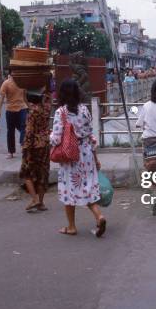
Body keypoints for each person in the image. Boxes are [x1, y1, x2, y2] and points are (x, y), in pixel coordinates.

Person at [50, 78, 106, 237]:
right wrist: (96, 158)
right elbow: (90, 135)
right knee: (87, 188)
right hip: (87, 154)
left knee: (69, 191)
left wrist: (49, 137)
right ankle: (99, 216)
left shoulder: (61, 113)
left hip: (70, 157)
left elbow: (56, 138)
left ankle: (71, 226)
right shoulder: (84, 110)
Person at [20, 88, 52, 212]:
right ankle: (41, 203)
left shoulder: (32, 113)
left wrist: (25, 148)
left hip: (33, 146)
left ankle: (34, 199)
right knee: (42, 174)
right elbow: (49, 98)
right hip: (45, 144)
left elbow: (29, 132)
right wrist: (45, 90)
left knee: (27, 173)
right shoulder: (46, 110)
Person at [0, 69, 28, 159]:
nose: (17, 73)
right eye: (14, 72)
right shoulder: (6, 83)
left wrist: (29, 107)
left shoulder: (22, 83)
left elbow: (24, 97)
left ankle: (22, 144)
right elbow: (1, 98)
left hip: (22, 107)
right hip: (10, 109)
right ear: (11, 73)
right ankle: (11, 152)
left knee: (24, 126)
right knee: (10, 131)